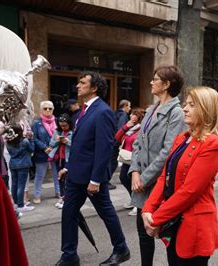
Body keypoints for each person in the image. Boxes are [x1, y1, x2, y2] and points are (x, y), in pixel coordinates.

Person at [142, 86, 218, 266]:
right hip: (175, 222)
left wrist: (156, 218)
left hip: (194, 227)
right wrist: (147, 208)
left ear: (205, 109)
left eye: (191, 105)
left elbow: (190, 191)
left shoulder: (212, 144)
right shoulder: (182, 138)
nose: (185, 108)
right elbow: (164, 178)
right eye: (186, 104)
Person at [56, 71, 130, 266]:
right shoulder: (82, 111)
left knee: (106, 212)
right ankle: (69, 255)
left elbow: (104, 148)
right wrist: (69, 168)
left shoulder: (103, 111)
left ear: (94, 87)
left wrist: (96, 180)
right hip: (76, 176)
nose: (78, 86)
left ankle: (121, 249)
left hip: (91, 178)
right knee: (69, 214)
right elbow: (81, 146)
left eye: (82, 83)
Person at [128, 65, 186, 266]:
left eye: (155, 79)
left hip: (160, 184)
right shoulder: (151, 109)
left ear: (167, 84)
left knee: (168, 234)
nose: (151, 82)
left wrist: (144, 178)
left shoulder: (176, 112)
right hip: (141, 182)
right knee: (143, 234)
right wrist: (135, 171)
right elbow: (137, 142)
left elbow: (169, 151)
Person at [114, 107, 144, 216]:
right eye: (131, 114)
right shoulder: (129, 127)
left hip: (135, 158)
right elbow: (117, 137)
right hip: (126, 158)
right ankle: (133, 199)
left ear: (139, 117)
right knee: (123, 178)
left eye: (134, 114)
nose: (131, 116)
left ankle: (138, 204)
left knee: (133, 181)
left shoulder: (141, 129)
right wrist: (126, 127)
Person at [31, 101, 60, 204]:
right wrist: (44, 147)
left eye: (50, 108)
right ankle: (37, 195)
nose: (48, 110)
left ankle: (58, 192)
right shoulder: (36, 123)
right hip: (42, 152)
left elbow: (61, 134)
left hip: (56, 151)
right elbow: (33, 138)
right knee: (40, 175)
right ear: (41, 110)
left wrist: (55, 146)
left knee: (57, 174)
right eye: (45, 108)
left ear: (53, 110)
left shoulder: (57, 121)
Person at [5, 124, 35, 213]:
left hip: (13, 164)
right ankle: (21, 205)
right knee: (21, 185)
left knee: (14, 184)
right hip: (23, 164)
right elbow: (32, 149)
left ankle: (16, 203)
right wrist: (32, 139)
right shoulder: (24, 141)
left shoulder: (8, 142)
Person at [48, 114, 73, 209]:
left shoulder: (73, 132)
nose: (63, 127)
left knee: (67, 179)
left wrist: (67, 142)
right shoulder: (57, 131)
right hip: (59, 158)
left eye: (65, 125)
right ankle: (62, 197)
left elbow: (77, 146)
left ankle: (67, 198)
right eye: (61, 125)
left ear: (69, 124)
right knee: (60, 178)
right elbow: (51, 144)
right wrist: (57, 140)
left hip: (68, 159)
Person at [108, 100, 132, 190]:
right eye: (129, 106)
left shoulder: (115, 113)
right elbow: (121, 128)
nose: (129, 109)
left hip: (111, 141)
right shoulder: (123, 115)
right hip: (116, 142)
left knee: (111, 161)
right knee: (113, 162)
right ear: (125, 106)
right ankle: (106, 181)